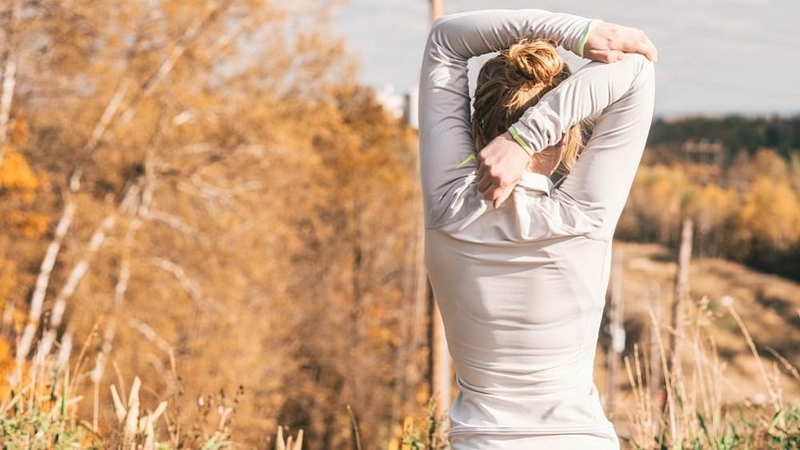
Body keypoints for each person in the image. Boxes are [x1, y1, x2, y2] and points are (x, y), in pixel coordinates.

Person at [418, 9, 657, 450]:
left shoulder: (447, 207)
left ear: (474, 127)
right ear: (568, 136)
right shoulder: (582, 218)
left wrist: (577, 35)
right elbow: (637, 71)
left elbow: (446, 40)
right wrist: (526, 139)